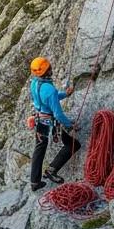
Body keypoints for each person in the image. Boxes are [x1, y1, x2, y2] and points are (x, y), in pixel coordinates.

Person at [28, 56, 79, 190]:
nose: (51, 68)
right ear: (46, 71)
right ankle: (52, 170)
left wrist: (65, 94)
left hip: (40, 121)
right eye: (49, 67)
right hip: (50, 123)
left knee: (39, 150)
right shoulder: (48, 89)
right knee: (73, 145)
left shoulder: (34, 83)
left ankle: (35, 182)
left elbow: (48, 98)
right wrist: (70, 125)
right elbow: (58, 114)